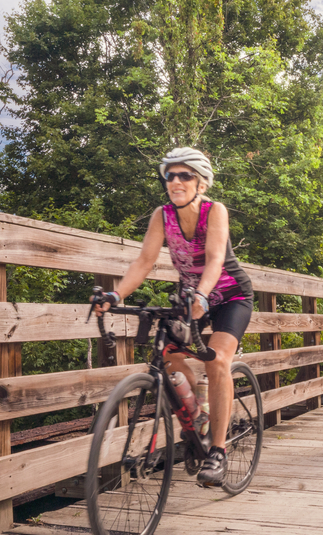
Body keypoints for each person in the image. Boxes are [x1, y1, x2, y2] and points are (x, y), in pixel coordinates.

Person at [92, 147, 254, 486]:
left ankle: (219, 451)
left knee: (217, 359)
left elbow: (214, 260)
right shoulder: (161, 215)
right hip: (190, 296)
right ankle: (199, 415)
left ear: (201, 183)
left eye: (185, 175)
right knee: (168, 358)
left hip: (229, 295)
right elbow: (143, 262)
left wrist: (203, 295)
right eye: (170, 175)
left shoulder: (215, 211)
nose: (175, 181)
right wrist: (114, 294)